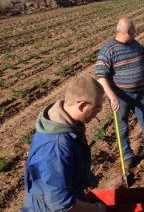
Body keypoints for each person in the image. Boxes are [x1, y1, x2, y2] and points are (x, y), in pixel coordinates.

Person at [22, 75, 106, 211]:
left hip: (68, 193)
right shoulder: (56, 147)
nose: (98, 113)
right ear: (82, 106)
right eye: (97, 108)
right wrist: (96, 209)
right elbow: (61, 205)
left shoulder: (68, 123)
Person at [95, 17, 144, 170]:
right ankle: (127, 157)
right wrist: (112, 96)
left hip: (140, 93)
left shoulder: (135, 44)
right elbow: (101, 76)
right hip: (120, 96)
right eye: (134, 30)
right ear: (128, 31)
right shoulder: (109, 50)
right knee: (122, 127)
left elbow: (143, 53)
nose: (136, 32)